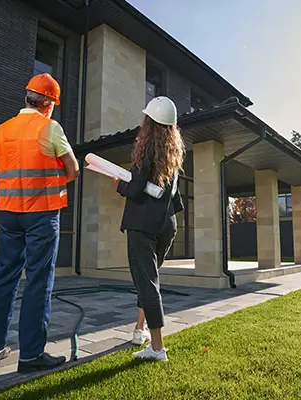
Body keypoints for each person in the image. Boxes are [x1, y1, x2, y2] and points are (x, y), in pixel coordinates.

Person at [0, 73, 79, 373]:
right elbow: (72, 169)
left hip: (10, 212)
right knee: (38, 281)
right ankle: (31, 355)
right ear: (48, 103)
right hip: (42, 213)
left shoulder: (0, 131)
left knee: (4, 278)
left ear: (27, 98)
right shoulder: (50, 128)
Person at [115, 96, 185, 361]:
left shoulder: (146, 150)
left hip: (142, 225)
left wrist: (119, 183)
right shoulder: (173, 154)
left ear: (150, 122)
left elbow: (134, 188)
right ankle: (139, 329)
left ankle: (157, 348)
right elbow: (174, 198)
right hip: (166, 225)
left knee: (147, 283)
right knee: (150, 281)